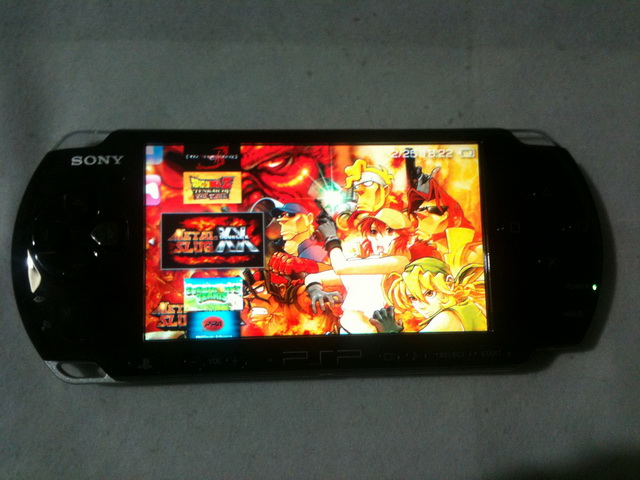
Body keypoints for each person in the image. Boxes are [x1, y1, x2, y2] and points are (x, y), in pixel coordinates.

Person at [305, 208, 413, 334]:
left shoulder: (399, 262)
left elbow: (340, 267)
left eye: (389, 231)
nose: (378, 237)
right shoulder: (366, 263)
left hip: (373, 337)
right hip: (344, 331)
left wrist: (332, 240)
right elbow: (314, 277)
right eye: (373, 231)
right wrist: (315, 289)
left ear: (407, 239)